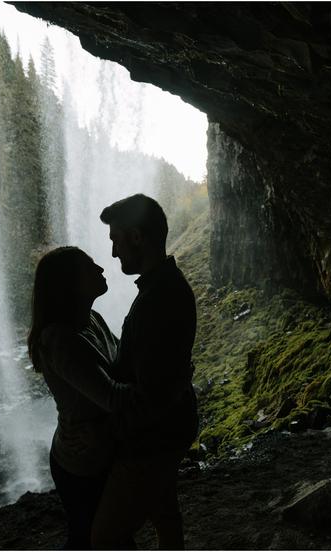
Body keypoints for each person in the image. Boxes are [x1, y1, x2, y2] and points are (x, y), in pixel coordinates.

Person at [91, 194, 199, 550]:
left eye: (116, 240)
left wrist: (113, 427)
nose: (113, 253)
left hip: (152, 441)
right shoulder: (163, 288)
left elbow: (152, 394)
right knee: (164, 513)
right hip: (169, 431)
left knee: (105, 537)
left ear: (137, 237)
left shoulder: (158, 299)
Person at [27, 246, 134, 550]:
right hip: (81, 461)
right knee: (93, 539)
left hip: (102, 449)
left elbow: (123, 363)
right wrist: (164, 390)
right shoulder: (59, 340)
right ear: (69, 283)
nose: (101, 269)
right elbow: (113, 397)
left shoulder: (92, 319)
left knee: (109, 537)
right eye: (90, 267)